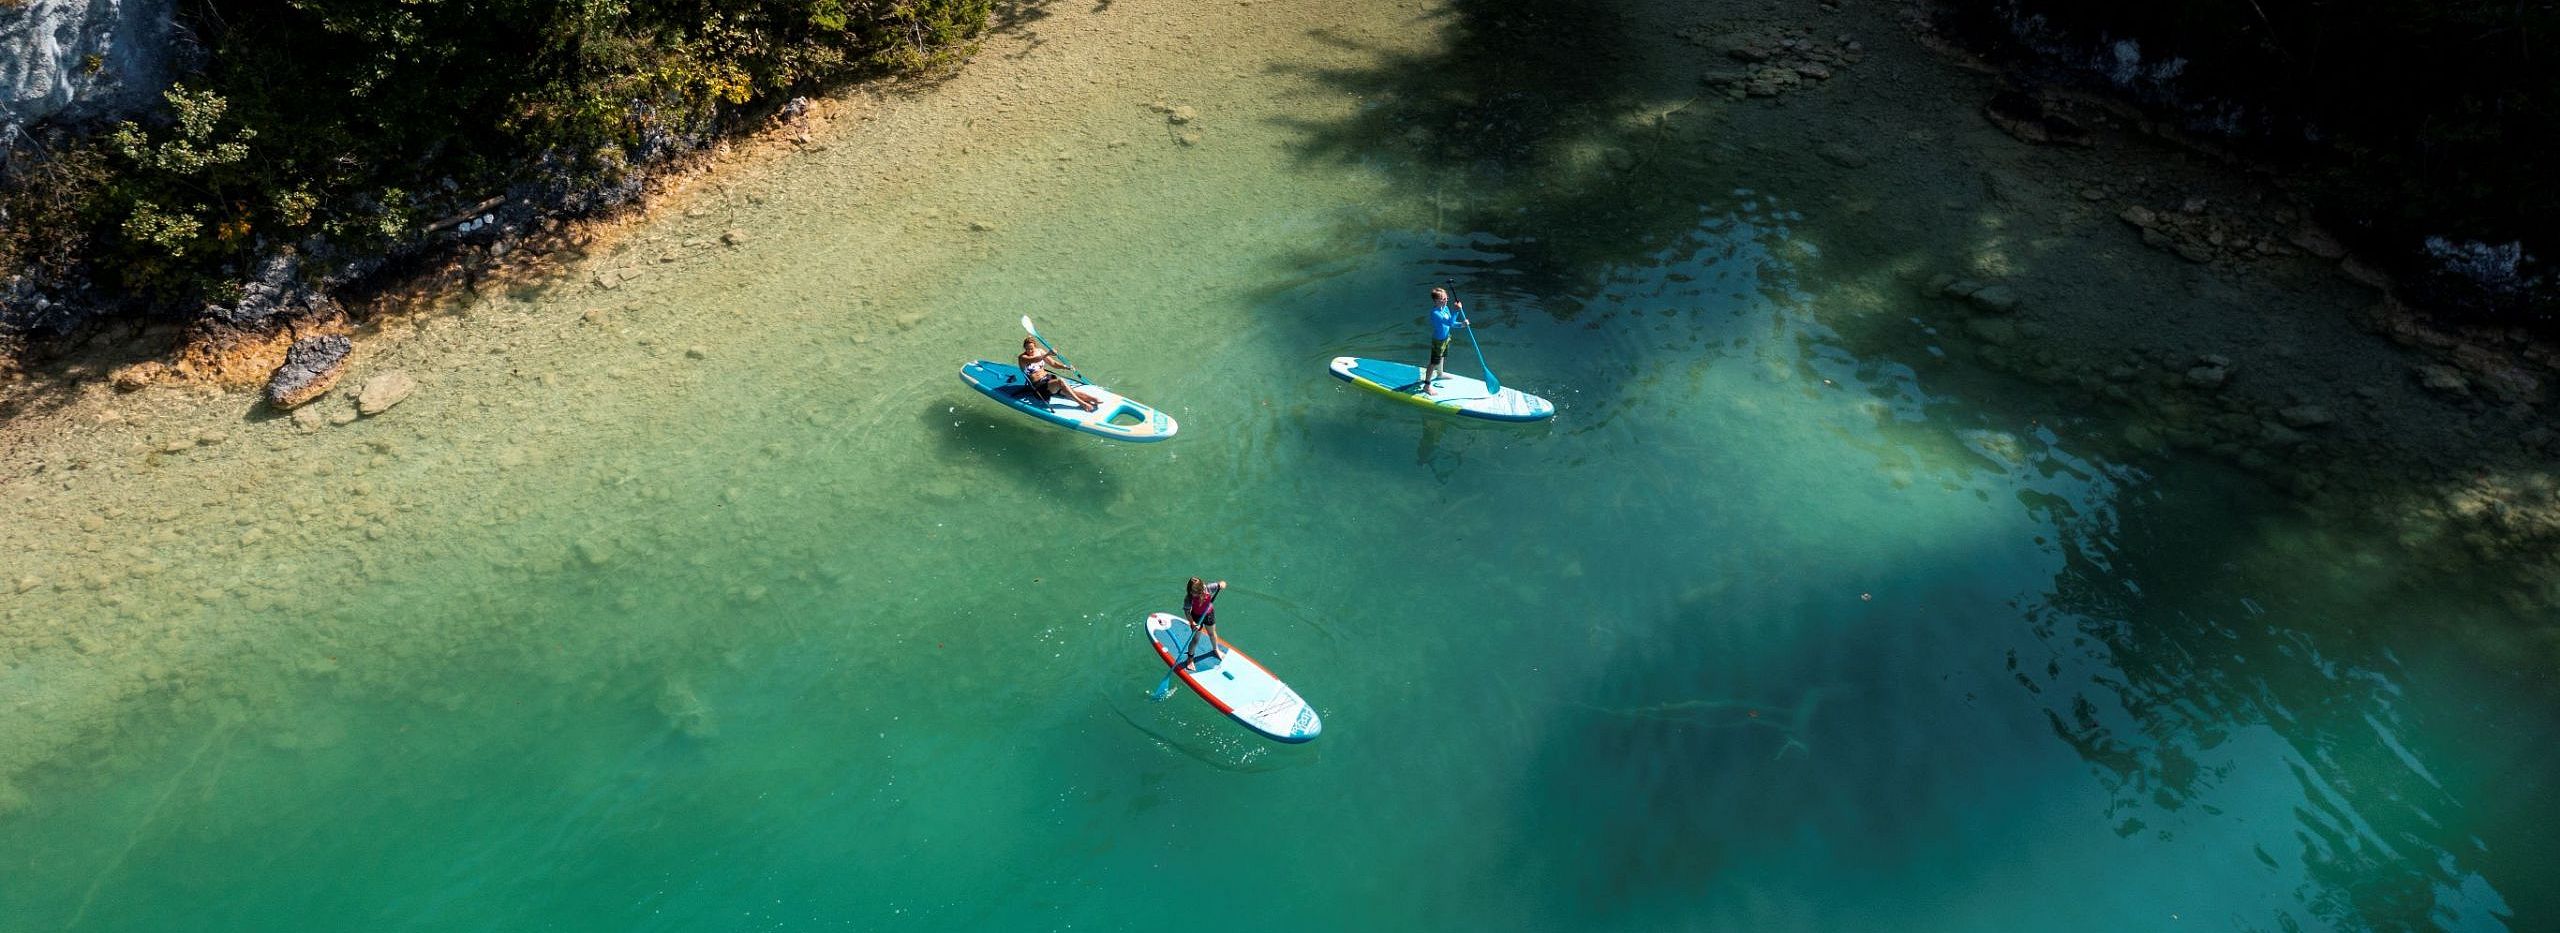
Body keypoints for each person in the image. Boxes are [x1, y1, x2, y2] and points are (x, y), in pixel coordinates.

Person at [1018, 336, 1098, 412]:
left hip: (1049, 380)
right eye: (1027, 349)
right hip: (1039, 386)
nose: (1030, 351)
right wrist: (1048, 354)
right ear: (1024, 348)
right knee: (1060, 382)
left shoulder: (1040, 351)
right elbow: (1034, 359)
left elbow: (1053, 363)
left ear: (1035, 346)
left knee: (1070, 391)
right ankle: (1082, 403)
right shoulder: (1022, 358)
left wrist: (1066, 367)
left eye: (1031, 348)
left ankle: (1093, 399)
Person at [1419, 287, 1468, 394]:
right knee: (1433, 363)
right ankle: (1427, 386)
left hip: (1446, 338)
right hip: (1438, 341)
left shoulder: (1445, 309)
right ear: (1436, 301)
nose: (1446, 300)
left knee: (1442, 357)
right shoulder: (1435, 313)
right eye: (1443, 299)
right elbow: (1450, 322)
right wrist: (1457, 311)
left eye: (1446, 298)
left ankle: (1440, 374)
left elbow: (1452, 323)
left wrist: (1462, 325)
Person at [1184, 576, 1228, 661]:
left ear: (1201, 588)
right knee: (1195, 640)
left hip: (1209, 614)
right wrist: (1192, 623)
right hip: (1196, 618)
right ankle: (1190, 658)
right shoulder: (1189, 598)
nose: (1195, 594)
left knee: (1212, 633)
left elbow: (1223, 583)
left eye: (1197, 592)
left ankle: (1216, 649)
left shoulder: (1209, 588)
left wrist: (1222, 585)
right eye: (1193, 592)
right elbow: (1187, 611)